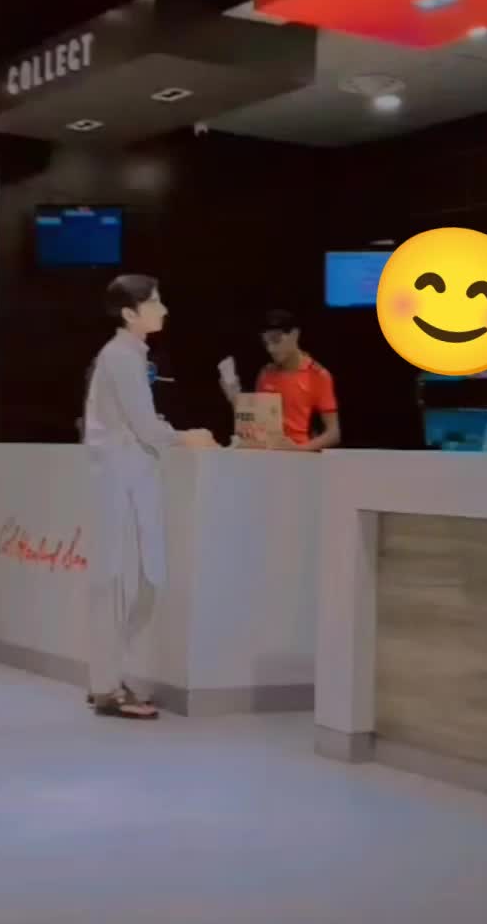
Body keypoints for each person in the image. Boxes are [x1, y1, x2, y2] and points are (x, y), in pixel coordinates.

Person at [83, 274, 213, 720]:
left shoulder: (127, 356)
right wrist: (185, 437)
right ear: (129, 312)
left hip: (127, 477)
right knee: (123, 580)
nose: (163, 309)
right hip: (121, 479)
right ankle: (107, 686)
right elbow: (143, 424)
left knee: (128, 579)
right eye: (154, 302)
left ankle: (106, 681)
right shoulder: (120, 356)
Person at [220, 308, 340, 451]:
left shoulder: (318, 375)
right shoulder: (265, 373)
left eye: (276, 340)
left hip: (300, 457)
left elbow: (333, 433)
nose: (270, 349)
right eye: (266, 343)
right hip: (267, 455)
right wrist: (233, 397)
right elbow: (256, 423)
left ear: (294, 335)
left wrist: (300, 449)